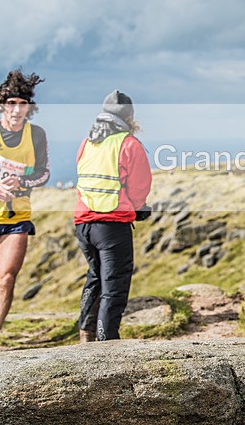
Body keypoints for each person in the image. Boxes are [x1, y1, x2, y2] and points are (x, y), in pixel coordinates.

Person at [74, 91, 152, 342]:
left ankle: (86, 334)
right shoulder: (129, 144)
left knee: (95, 276)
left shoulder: (87, 143)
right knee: (114, 285)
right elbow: (139, 187)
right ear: (129, 117)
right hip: (112, 226)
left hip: (83, 224)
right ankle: (107, 343)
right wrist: (138, 208)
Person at [0, 69, 50, 351]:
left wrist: (21, 181)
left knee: (6, 280)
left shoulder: (36, 135)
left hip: (17, 219)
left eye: (22, 104)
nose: (16, 110)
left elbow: (43, 173)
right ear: (2, 105)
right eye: (11, 103)